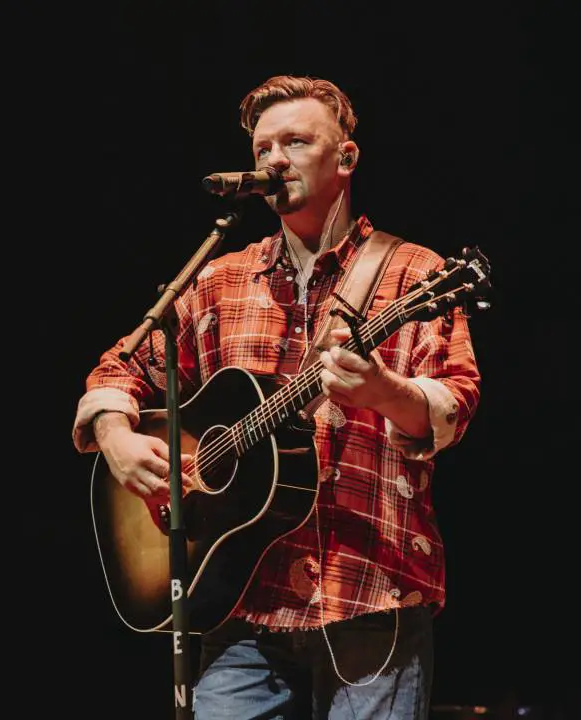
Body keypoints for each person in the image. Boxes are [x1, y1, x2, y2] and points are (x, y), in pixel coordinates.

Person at [71, 74, 481, 718]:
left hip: (369, 591)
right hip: (241, 600)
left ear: (344, 158)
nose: (273, 161)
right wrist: (116, 438)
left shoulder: (414, 273)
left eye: (294, 142)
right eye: (263, 149)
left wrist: (384, 390)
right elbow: (118, 369)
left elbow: (454, 404)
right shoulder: (219, 279)